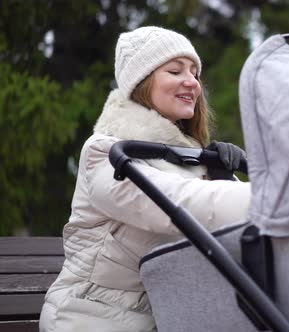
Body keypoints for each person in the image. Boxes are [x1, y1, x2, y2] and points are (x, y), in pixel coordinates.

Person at [39, 26, 251, 332]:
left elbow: (233, 234)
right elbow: (178, 205)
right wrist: (273, 195)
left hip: (167, 318)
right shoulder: (105, 154)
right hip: (90, 317)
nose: (192, 82)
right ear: (142, 81)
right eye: (175, 70)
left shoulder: (190, 162)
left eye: (194, 72)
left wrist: (224, 177)